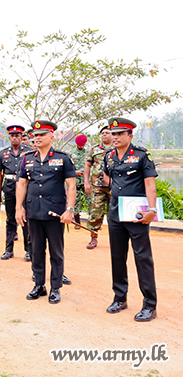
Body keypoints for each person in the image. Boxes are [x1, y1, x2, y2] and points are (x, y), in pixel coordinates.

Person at [102, 117, 158, 322]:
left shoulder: (142, 155)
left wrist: (151, 210)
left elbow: (150, 184)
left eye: (120, 134)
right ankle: (120, 298)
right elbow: (107, 177)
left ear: (130, 135)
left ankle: (150, 305)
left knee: (142, 257)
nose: (115, 137)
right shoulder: (109, 156)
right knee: (117, 256)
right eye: (113, 134)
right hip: (116, 213)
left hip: (137, 214)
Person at [16, 120, 76, 305]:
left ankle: (55, 288)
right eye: (35, 135)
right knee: (36, 251)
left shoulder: (63, 158)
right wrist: (19, 207)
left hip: (55, 213)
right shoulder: (27, 158)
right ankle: (39, 285)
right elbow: (22, 184)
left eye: (42, 134)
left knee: (56, 252)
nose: (37, 138)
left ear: (52, 136)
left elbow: (71, 186)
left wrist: (70, 209)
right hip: (33, 211)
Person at [0, 125, 32, 260]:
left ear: (21, 137)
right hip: (9, 188)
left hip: (25, 189)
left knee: (25, 219)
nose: (15, 138)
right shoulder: (3, 153)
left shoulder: (29, 152)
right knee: (10, 219)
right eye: (12, 136)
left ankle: (29, 250)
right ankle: (8, 250)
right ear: (9, 137)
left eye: (17, 135)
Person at [83, 126, 113, 249]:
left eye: (107, 133)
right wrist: (86, 182)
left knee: (114, 214)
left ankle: (116, 240)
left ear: (112, 135)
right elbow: (87, 166)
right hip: (97, 187)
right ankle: (93, 238)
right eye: (103, 133)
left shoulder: (117, 148)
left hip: (113, 186)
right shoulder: (94, 149)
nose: (104, 135)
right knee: (95, 213)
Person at [70, 134, 90, 227]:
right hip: (75, 181)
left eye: (83, 144)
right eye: (80, 144)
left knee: (90, 200)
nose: (81, 146)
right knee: (76, 201)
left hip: (86, 181)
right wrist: (75, 172)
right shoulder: (71, 153)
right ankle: (77, 223)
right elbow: (68, 168)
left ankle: (92, 222)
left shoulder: (89, 153)